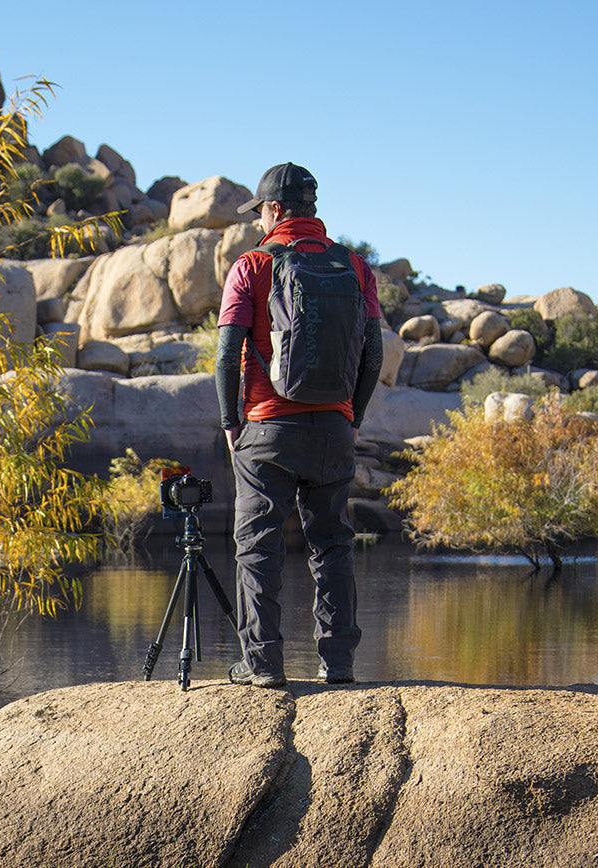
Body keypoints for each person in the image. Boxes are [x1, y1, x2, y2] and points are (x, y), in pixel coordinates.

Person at [215, 162, 383, 688]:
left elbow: (226, 355)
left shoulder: (252, 265)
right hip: (334, 428)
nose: (258, 223)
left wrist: (229, 423)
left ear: (273, 210)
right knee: (332, 544)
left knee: (258, 544)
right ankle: (339, 664)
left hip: (266, 427)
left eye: (260, 213)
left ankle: (263, 665)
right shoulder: (355, 267)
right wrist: (351, 416)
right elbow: (373, 354)